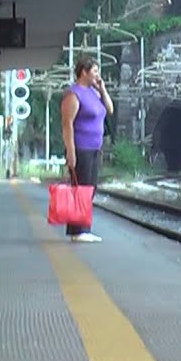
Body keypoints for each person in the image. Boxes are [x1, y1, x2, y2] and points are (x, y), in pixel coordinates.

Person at [61, 56, 114, 243]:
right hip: (80, 147)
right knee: (81, 188)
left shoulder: (94, 92)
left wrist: (103, 89)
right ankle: (78, 231)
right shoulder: (74, 94)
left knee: (90, 188)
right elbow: (67, 124)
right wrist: (71, 151)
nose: (97, 75)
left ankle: (83, 228)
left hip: (94, 148)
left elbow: (110, 109)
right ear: (83, 72)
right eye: (95, 72)